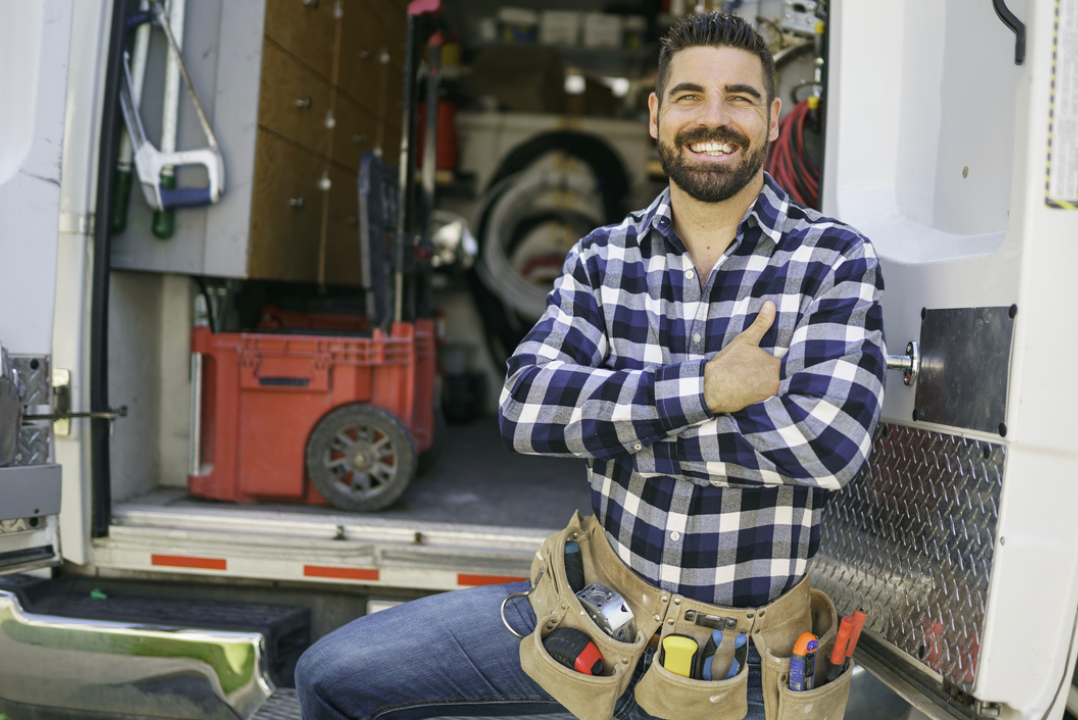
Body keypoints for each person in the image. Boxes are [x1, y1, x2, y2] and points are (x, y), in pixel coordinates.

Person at [296, 12, 885, 720]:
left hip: (745, 664)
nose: (714, 118)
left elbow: (828, 452)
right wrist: (708, 390)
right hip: (591, 623)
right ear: (656, 114)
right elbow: (527, 409)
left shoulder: (834, 260)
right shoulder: (604, 259)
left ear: (773, 117)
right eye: (691, 95)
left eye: (740, 98)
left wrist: (614, 422)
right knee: (329, 676)